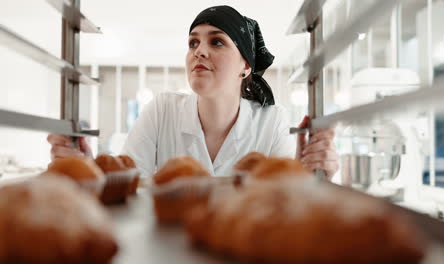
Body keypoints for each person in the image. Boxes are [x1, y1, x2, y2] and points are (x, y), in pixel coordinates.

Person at [47, 5, 339, 179]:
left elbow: (284, 202)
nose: (199, 51)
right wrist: (87, 171)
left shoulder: (272, 121)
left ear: (246, 66)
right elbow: (129, 185)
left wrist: (310, 176)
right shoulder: (162, 111)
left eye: (217, 42)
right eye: (193, 43)